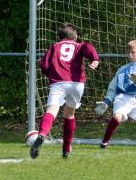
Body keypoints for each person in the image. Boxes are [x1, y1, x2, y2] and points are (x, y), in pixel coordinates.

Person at [30, 23, 100, 159]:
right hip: (76, 84)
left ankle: (42, 134)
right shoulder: (79, 45)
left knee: (51, 111)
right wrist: (94, 59)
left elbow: (44, 66)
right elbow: (87, 46)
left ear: (58, 37)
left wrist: (48, 71)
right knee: (69, 114)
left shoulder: (54, 47)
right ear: (76, 36)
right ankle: (66, 149)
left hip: (58, 83)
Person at [95, 40, 136, 148]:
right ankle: (104, 142)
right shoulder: (122, 70)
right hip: (123, 98)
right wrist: (107, 100)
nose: (130, 55)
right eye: (128, 53)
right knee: (116, 117)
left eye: (133, 52)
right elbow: (113, 86)